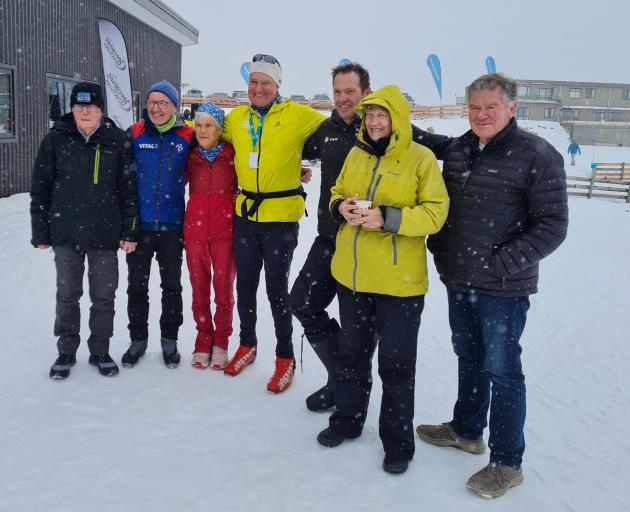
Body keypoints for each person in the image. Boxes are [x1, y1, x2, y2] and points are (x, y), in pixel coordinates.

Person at [416, 73, 568, 498]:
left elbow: (553, 225)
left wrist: (502, 264)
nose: (481, 115)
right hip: (459, 279)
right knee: (468, 356)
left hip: (503, 288)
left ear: (512, 108)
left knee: (502, 370)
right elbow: (428, 143)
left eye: (491, 107)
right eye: (475, 107)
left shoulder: (537, 155)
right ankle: (466, 429)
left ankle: (506, 462)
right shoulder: (462, 147)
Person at [290, 62, 451, 412]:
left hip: (375, 248)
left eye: (350, 91)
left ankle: (348, 386)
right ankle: (341, 379)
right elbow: (287, 151)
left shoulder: (387, 128)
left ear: (367, 93)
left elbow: (446, 149)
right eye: (337, 92)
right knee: (301, 302)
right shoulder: (325, 130)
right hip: (331, 238)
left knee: (365, 336)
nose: (343, 99)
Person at [315, 85, 449, 475]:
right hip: (352, 278)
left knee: (396, 366)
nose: (374, 122)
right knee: (352, 356)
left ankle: (397, 443)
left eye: (382, 115)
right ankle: (348, 419)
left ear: (398, 119)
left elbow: (436, 213)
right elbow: (336, 193)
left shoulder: (421, 159)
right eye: (370, 115)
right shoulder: (356, 153)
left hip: (399, 286)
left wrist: (388, 218)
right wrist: (341, 206)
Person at [221, 54, 326, 393]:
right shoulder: (236, 118)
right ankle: (247, 344)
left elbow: (335, 129)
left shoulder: (298, 115)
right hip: (246, 215)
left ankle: (285, 357)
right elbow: (205, 134)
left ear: (278, 85)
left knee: (276, 289)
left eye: (266, 82)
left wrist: (301, 163)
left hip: (280, 218)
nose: (259, 88)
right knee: (245, 285)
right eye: (254, 82)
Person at [30, 82, 138, 379]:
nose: (85, 111)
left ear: (101, 109)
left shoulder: (117, 140)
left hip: (104, 234)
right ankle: (66, 351)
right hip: (65, 233)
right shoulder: (55, 140)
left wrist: (129, 231)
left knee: (104, 296)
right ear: (72, 108)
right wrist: (40, 232)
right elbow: (40, 189)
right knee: (68, 294)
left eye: (91, 106)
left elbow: (128, 190)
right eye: (79, 106)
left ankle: (100, 350)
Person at [122, 81, 194, 369]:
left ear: (174, 107)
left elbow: (219, 156)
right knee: (136, 288)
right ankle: (137, 339)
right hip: (139, 227)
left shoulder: (188, 135)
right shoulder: (135, 132)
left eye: (163, 103)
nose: (156, 108)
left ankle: (169, 340)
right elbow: (121, 178)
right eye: (152, 102)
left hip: (172, 227)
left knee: (171, 287)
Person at [185, 102, 237, 370]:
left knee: (223, 291)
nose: (203, 130)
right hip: (194, 232)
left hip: (225, 233)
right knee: (199, 290)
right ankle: (203, 338)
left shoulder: (233, 156)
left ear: (219, 129)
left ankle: (221, 342)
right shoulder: (190, 156)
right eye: (199, 125)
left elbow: (262, 173)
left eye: (209, 125)